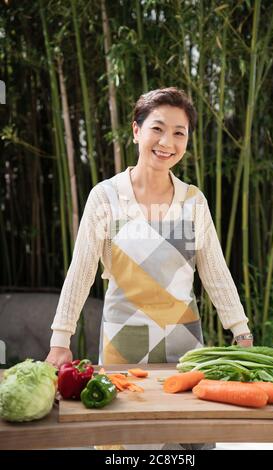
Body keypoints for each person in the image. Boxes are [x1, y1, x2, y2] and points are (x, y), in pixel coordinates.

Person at [46, 87, 253, 449]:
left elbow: (216, 273)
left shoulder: (194, 201)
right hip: (122, 350)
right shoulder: (106, 197)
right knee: (127, 447)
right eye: (157, 128)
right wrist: (60, 340)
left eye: (179, 132)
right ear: (136, 131)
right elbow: (80, 273)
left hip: (185, 349)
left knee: (187, 445)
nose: (167, 142)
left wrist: (242, 332)